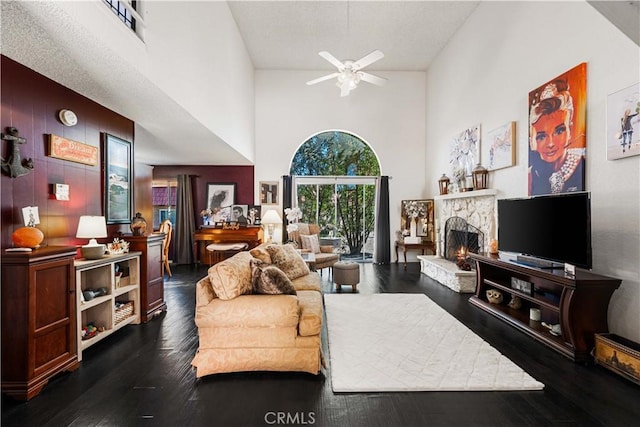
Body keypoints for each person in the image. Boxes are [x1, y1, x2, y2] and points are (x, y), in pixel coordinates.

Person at [528, 80, 585, 196]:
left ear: (570, 130)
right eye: (541, 136)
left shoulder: (582, 163)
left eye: (559, 131)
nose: (550, 144)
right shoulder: (531, 176)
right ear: (531, 141)